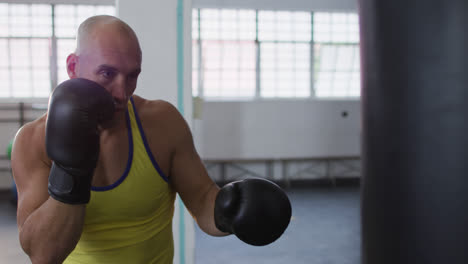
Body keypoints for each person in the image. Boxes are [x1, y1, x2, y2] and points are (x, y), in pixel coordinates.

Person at [11, 15, 291, 264]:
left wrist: (228, 211)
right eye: (107, 74)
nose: (122, 93)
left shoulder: (162, 122)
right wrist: (71, 169)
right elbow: (43, 255)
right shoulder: (32, 142)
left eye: (132, 75)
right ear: (73, 66)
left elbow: (203, 200)